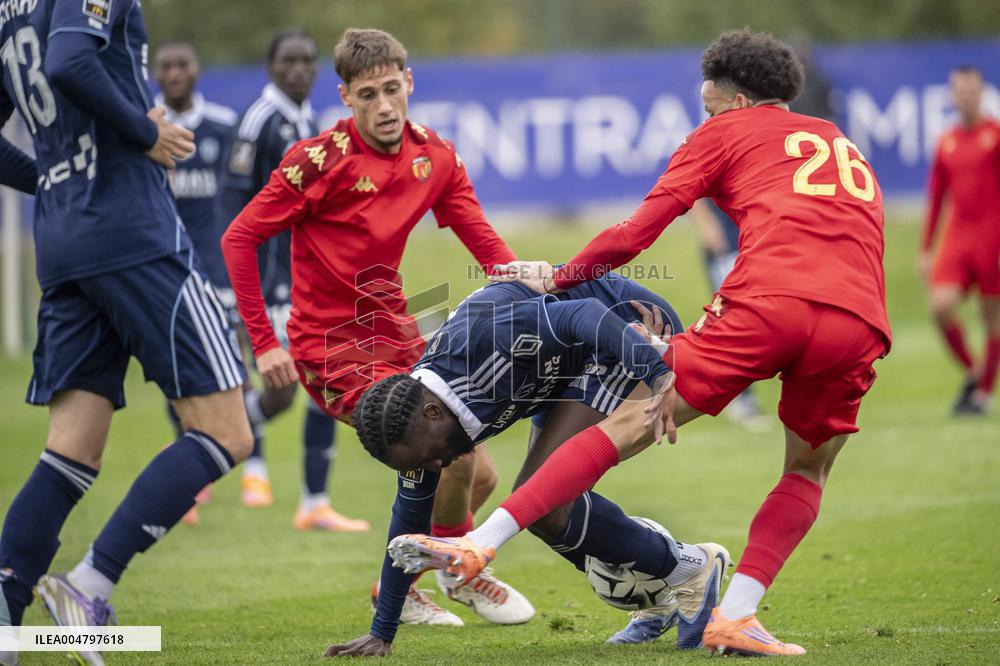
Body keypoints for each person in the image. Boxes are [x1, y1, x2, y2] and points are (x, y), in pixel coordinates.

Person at [389, 29, 891, 657]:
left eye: (708, 108)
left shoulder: (725, 132)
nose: (703, 118)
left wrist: (561, 274)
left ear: (734, 103)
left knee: (633, 419)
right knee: (808, 469)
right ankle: (735, 615)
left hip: (769, 302)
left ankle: (481, 541)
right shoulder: (841, 142)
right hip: (859, 314)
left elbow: (636, 232)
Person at [222, 28, 531, 628]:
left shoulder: (435, 158)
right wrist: (264, 344)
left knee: (480, 474)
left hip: (392, 331)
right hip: (329, 348)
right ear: (345, 97)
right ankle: (461, 569)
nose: (384, 106)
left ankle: (407, 582)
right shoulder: (316, 162)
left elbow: (487, 247)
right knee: (447, 449)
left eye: (392, 89)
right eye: (368, 95)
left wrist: (537, 280)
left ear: (409, 83)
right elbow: (238, 238)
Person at [0, 2, 252, 665]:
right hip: (131, 232)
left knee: (71, 451)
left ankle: (3, 613)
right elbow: (69, 60)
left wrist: (52, 183)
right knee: (228, 430)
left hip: (62, 240)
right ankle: (88, 585)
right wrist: (143, 133)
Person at [327, 275, 730, 657]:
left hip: (620, 329)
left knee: (545, 502)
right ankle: (662, 595)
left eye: (429, 457)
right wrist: (382, 632)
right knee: (539, 506)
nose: (434, 466)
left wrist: (658, 375)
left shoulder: (483, 342)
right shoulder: (418, 423)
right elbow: (408, 523)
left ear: (433, 412)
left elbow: (583, 313)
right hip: (559, 371)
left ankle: (688, 568)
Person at [218, 28, 367, 530]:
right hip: (267, 280)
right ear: (271, 67)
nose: (300, 69)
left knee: (322, 382)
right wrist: (242, 281)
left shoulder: (305, 119)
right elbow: (234, 207)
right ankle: (218, 446)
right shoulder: (260, 121)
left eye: (308, 60)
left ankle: (313, 502)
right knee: (290, 389)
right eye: (290, 61)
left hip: (300, 278)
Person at [153, 41, 240, 525]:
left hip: (220, 267)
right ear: (156, 73)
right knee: (177, 371)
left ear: (197, 69)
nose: (175, 73)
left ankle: (246, 461)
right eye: (165, 66)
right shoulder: (145, 129)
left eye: (182, 63)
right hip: (168, 268)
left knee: (233, 367)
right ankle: (190, 464)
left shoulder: (224, 128)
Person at [919, 65, 1000, 415]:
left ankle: (982, 394)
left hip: (992, 238)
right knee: (940, 307)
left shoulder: (995, 136)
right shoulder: (946, 141)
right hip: (958, 237)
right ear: (951, 95)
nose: (965, 95)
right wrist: (926, 247)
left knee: (991, 318)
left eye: (971, 89)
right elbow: (937, 195)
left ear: (981, 93)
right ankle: (974, 370)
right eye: (959, 90)